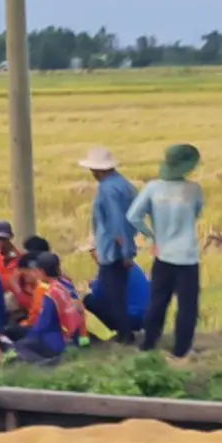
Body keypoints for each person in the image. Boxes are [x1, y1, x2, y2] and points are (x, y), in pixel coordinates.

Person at [127, 143, 206, 359]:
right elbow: (197, 212)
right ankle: (181, 349)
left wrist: (152, 234)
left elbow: (133, 216)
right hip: (188, 256)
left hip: (163, 254)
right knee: (187, 306)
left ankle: (149, 343)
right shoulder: (194, 189)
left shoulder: (153, 188)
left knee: (158, 301)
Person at [79, 145, 138, 343]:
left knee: (112, 296)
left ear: (98, 170)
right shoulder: (126, 185)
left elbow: (116, 223)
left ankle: (125, 335)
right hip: (123, 246)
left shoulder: (107, 189)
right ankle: (125, 333)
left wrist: (125, 252)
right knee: (118, 292)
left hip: (112, 251)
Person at [13, 252, 88, 366]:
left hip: (59, 341)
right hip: (77, 337)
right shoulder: (67, 284)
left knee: (21, 345)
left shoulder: (51, 293)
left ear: (42, 272)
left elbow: (43, 324)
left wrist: (28, 338)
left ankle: (47, 364)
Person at [87, 262, 150, 338]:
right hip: (146, 318)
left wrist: (90, 287)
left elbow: (99, 294)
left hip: (130, 318)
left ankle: (84, 336)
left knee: (87, 299)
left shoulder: (108, 267)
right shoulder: (133, 265)